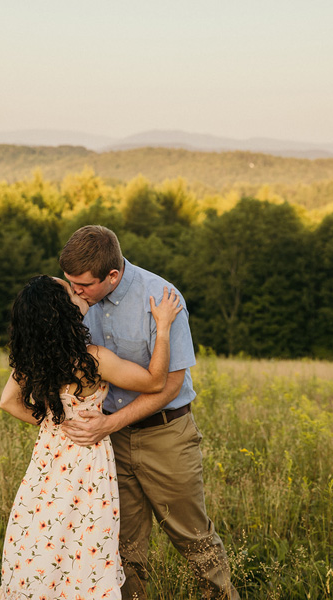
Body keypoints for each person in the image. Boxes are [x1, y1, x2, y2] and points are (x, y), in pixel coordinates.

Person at [59, 225, 240, 600]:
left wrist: (108, 423)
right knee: (120, 545)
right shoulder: (74, 301)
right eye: (70, 282)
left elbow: (170, 384)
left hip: (165, 435)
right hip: (109, 443)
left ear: (112, 276)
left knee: (193, 538)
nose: (75, 291)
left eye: (83, 285)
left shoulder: (161, 297)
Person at [0, 274, 184, 600]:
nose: (78, 292)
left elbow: (7, 402)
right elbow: (155, 382)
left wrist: (54, 422)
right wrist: (164, 328)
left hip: (48, 460)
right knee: (84, 546)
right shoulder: (92, 359)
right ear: (63, 311)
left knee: (43, 538)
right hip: (87, 461)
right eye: (70, 291)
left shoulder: (33, 357)